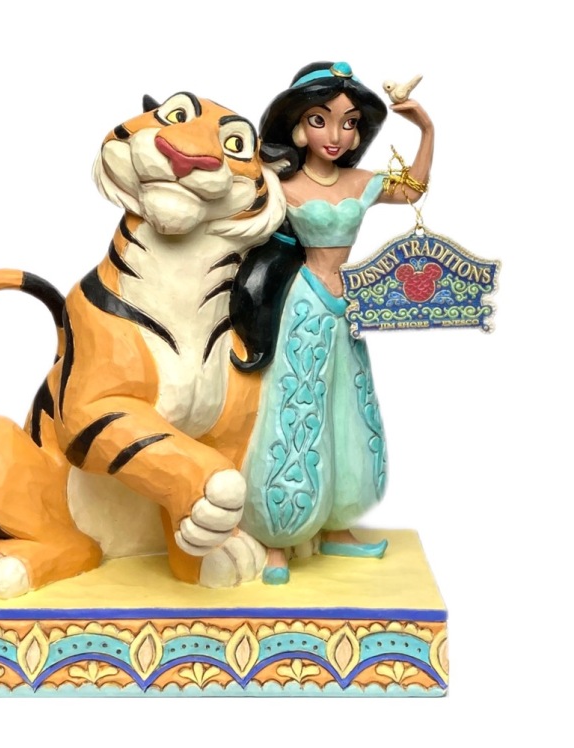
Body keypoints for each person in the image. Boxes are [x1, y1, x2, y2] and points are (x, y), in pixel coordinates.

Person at [230, 61, 434, 583]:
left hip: (351, 305)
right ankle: (276, 535)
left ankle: (337, 523)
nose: (336, 135)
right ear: (299, 126)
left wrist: (426, 128)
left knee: (349, 406)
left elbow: (413, 190)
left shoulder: (362, 182)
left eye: (349, 122)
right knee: (295, 409)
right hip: (304, 301)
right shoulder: (282, 183)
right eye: (320, 120)